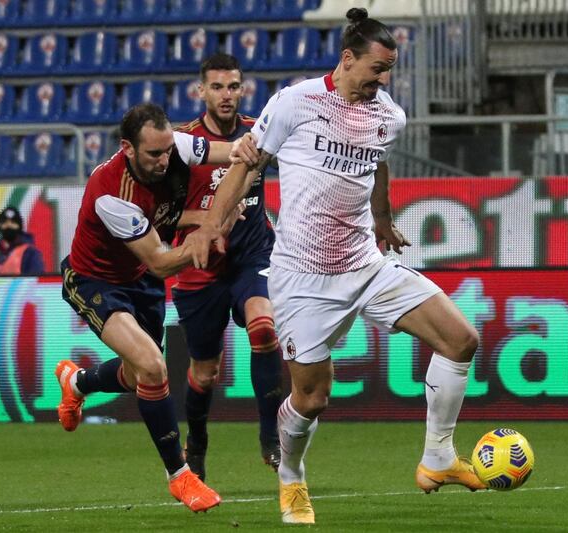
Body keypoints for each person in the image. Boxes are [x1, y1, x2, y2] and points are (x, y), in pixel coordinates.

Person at [184, 8, 484, 525]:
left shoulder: (389, 116)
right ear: (348, 58)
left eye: (389, 70)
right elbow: (246, 164)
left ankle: (437, 457)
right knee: (312, 397)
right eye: (376, 69)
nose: (382, 81)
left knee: (461, 340)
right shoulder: (295, 103)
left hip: (365, 264)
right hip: (302, 277)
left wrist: (383, 220)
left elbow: (379, 162)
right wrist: (212, 224)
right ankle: (292, 477)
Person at [54, 103, 257, 513]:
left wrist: (256, 148)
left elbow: (233, 152)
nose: (165, 160)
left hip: (139, 283)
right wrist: (208, 232)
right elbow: (163, 262)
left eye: (167, 151)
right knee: (152, 366)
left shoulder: (174, 147)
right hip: (96, 281)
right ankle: (180, 476)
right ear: (127, 148)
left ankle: (77, 383)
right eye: (154, 154)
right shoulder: (112, 194)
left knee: (136, 375)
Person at [172, 53, 282, 482]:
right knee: (204, 371)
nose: (226, 95)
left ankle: (272, 436)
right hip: (200, 270)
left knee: (264, 327)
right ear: (201, 91)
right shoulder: (183, 145)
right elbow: (162, 215)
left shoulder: (260, 135)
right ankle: (196, 441)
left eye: (233, 86)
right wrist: (207, 219)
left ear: (243, 89)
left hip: (252, 258)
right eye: (217, 87)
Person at [0, 206, 45, 275]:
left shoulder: (30, 253)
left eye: (13, 222)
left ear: (19, 226)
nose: (9, 225)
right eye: (5, 222)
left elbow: (35, 281)